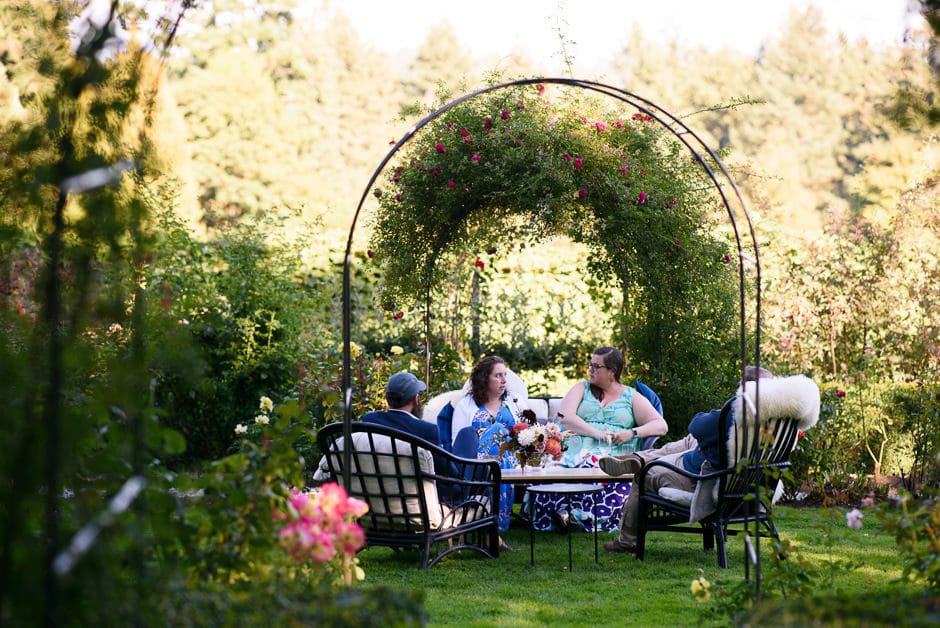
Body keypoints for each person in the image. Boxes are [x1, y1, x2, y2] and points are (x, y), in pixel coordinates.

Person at [602, 365, 773, 554]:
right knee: (689, 441)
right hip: (741, 485)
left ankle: (627, 541)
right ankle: (638, 457)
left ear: (744, 388)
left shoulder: (732, 414)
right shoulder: (777, 420)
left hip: (698, 480)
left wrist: (712, 415)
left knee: (643, 474)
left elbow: (696, 424)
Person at [529, 346, 669, 532]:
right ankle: (565, 514)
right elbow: (566, 417)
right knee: (553, 472)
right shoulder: (582, 388)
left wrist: (632, 433)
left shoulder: (630, 396)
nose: (591, 370)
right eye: (590, 365)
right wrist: (596, 433)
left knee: (603, 475)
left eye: (596, 366)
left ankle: (574, 516)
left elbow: (661, 425)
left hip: (613, 457)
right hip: (574, 452)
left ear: (612, 371)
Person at [450, 355, 524, 532]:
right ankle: (497, 523)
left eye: (504, 375)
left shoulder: (514, 402)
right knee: (497, 429)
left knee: (500, 435)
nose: (504, 380)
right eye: (498, 376)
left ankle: (496, 521)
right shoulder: (466, 406)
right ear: (484, 379)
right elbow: (459, 441)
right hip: (478, 463)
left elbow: (524, 435)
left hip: (511, 460)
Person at [360, 371, 452, 479]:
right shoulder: (427, 430)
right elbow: (446, 472)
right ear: (416, 399)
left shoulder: (370, 421)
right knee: (467, 434)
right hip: (418, 494)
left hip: (375, 488)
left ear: (386, 397)